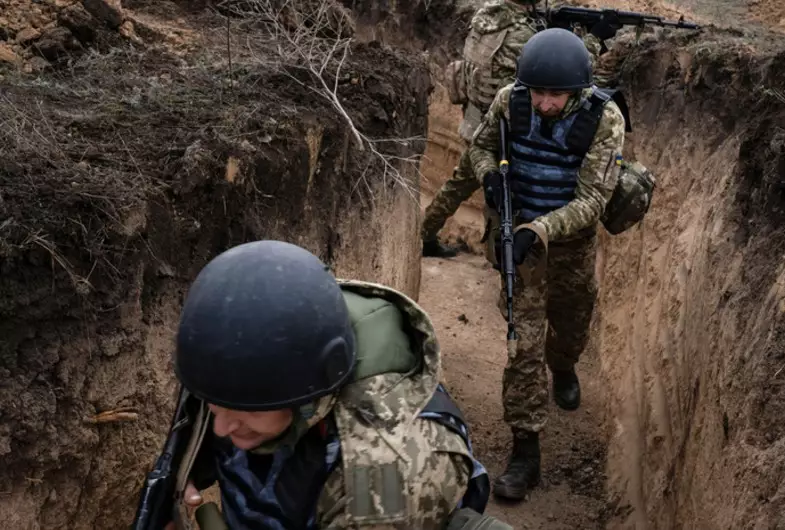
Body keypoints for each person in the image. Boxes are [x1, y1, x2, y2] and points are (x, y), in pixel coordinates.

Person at [164, 240, 505, 529]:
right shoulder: (262, 349)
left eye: (244, 412)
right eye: (214, 406)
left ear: (308, 394)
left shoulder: (381, 480)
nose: (221, 427)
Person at [467, 28, 626, 500]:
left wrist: (537, 232)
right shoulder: (509, 101)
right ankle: (526, 451)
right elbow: (478, 147)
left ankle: (566, 365)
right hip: (522, 246)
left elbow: (594, 199)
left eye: (556, 95)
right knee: (523, 344)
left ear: (576, 91)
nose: (544, 103)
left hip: (570, 245)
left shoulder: (605, 119)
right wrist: (488, 179)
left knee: (573, 326)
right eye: (538, 92)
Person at [422, 0, 623, 258]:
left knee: (458, 185)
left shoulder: (489, 17)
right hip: (512, 121)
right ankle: (496, 246)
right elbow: (560, 72)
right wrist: (594, 39)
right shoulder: (523, 36)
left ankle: (426, 233)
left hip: (477, 114)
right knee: (499, 190)